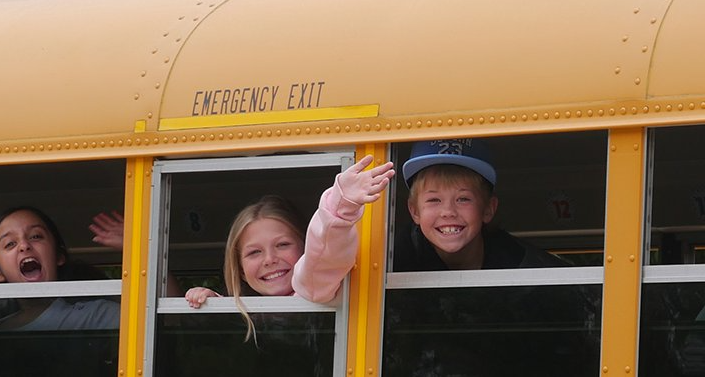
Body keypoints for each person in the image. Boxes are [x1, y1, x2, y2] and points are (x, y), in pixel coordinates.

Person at [183, 155, 394, 337]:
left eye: (283, 245)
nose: (270, 259)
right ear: (240, 271)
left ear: (306, 249)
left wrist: (341, 207)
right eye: (254, 252)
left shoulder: (313, 287)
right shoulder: (246, 316)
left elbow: (326, 256)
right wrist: (214, 306)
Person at [397, 139, 567, 270]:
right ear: (414, 212)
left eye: (463, 199)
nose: (448, 212)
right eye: (434, 200)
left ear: (488, 209)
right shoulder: (391, 261)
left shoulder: (521, 264)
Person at [0, 206, 120, 331]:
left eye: (35, 236)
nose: (24, 245)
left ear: (58, 256)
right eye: (10, 243)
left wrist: (138, 247)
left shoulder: (97, 317)